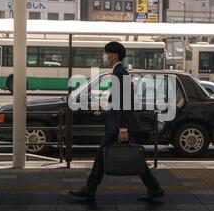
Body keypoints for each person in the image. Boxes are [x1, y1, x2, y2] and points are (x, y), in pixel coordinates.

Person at [69, 41, 164, 202]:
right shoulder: (118, 72)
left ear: (114, 55)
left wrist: (123, 129)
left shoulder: (120, 73)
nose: (104, 56)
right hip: (117, 124)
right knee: (124, 156)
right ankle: (153, 188)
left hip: (118, 126)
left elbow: (124, 103)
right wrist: (107, 109)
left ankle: (90, 190)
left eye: (106, 53)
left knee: (123, 156)